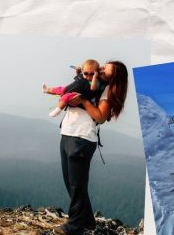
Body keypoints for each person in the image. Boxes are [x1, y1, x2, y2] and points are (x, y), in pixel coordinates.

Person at [54, 60, 129, 235]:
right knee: (70, 182)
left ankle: (75, 224)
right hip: (68, 132)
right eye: (103, 66)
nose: (101, 70)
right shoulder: (94, 82)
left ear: (113, 79)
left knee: (76, 184)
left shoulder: (108, 91)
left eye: (106, 71)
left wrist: (84, 101)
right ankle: (87, 221)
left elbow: (101, 117)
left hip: (82, 137)